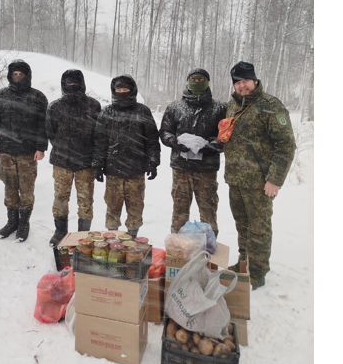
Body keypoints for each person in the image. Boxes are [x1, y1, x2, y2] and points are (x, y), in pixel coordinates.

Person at [222, 61, 296, 290]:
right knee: (242, 225)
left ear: (255, 80)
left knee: (259, 227)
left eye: (245, 81)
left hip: (259, 182)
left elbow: (286, 146)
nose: (241, 86)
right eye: (237, 82)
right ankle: (244, 262)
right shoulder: (232, 105)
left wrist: (275, 179)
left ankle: (257, 272)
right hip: (236, 179)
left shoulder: (271, 106)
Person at [159, 68, 227, 236]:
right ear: (187, 81)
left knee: (208, 212)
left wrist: (208, 145)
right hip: (181, 168)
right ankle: (178, 250)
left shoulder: (219, 108)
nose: (197, 83)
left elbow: (225, 136)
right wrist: (174, 142)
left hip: (207, 170)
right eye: (194, 80)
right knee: (179, 212)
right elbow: (165, 131)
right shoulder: (175, 107)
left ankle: (208, 252)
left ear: (208, 83)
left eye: (201, 80)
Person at [0, 60, 48, 242]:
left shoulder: (37, 97)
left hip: (28, 152)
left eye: (21, 74)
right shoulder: (1, 95)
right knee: (9, 187)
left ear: (27, 75)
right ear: (10, 75)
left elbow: (43, 124)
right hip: (6, 150)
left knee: (26, 188)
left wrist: (41, 147)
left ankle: (24, 223)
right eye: (15, 74)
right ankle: (11, 222)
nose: (18, 76)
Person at [92, 75, 160, 238]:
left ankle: (132, 237)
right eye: (119, 90)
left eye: (125, 89)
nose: (122, 92)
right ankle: (112, 238)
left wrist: (153, 162)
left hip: (136, 170)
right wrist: (97, 164)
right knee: (112, 207)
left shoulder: (142, 111)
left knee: (135, 207)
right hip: (113, 170)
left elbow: (152, 138)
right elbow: (100, 140)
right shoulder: (106, 112)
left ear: (132, 90)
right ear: (114, 91)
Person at [45, 69, 102, 247]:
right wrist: (63, 148)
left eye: (75, 82)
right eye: (68, 82)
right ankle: (60, 231)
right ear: (63, 84)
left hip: (86, 163)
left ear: (82, 83)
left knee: (86, 200)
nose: (72, 85)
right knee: (60, 197)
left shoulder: (93, 105)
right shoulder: (55, 106)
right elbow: (50, 132)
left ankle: (83, 234)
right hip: (62, 162)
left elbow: (99, 134)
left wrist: (92, 155)